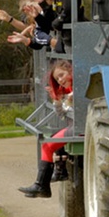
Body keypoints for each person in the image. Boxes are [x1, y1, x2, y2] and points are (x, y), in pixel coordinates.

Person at [18, 59, 75, 198]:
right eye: (57, 78)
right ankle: (58, 173)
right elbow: (62, 114)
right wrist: (56, 98)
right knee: (53, 137)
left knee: (47, 146)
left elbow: (66, 109)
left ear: (70, 71)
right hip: (73, 125)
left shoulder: (75, 90)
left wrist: (64, 100)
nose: (60, 80)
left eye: (62, 75)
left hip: (79, 127)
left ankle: (41, 186)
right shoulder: (66, 90)